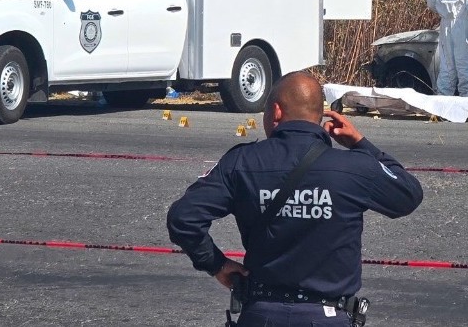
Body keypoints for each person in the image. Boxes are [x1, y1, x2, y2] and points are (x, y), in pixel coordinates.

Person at [167, 71, 423, 327]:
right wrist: (361, 144)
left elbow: (183, 217)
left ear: (276, 112)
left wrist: (216, 264)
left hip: (261, 314)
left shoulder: (242, 161)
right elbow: (408, 195)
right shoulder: (355, 166)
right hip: (327, 316)